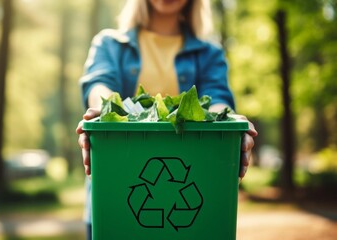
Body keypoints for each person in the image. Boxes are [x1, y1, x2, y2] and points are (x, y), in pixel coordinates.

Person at [75, 0, 258, 239]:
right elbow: (99, 84)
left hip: (196, 222)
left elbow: (217, 99)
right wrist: (104, 110)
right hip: (113, 205)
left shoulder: (209, 54)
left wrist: (230, 120)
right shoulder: (110, 44)